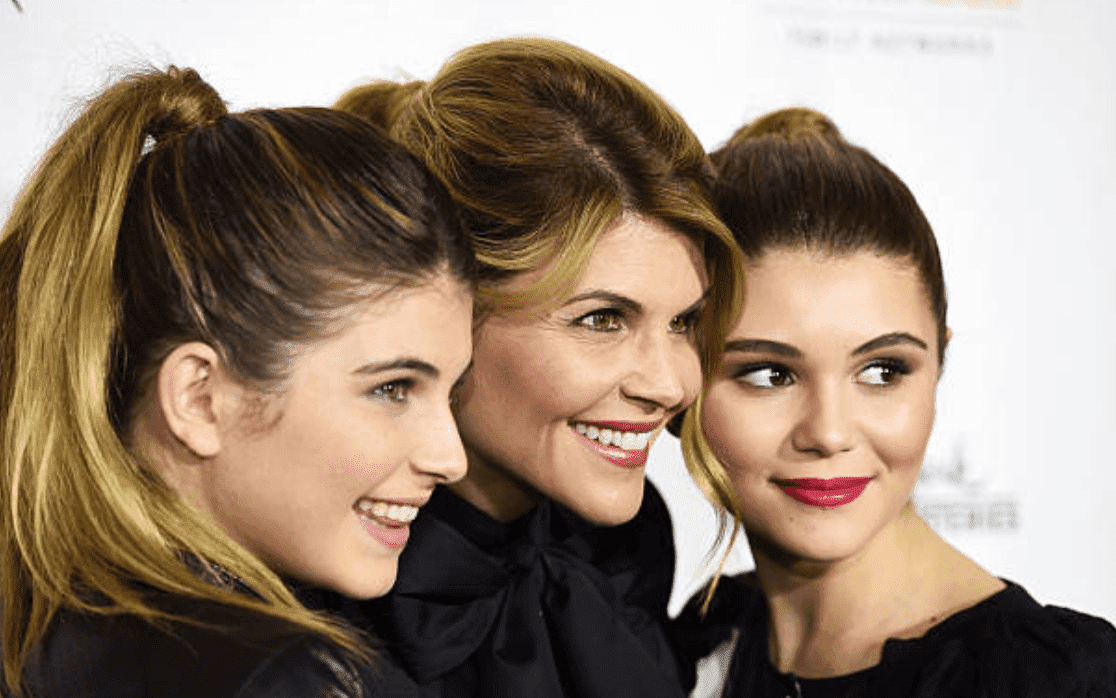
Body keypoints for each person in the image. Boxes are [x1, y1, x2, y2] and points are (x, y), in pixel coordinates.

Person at [0, 66, 476, 698]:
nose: (450, 457)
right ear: (200, 399)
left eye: (451, 392)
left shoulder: (42, 628)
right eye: (393, 389)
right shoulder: (297, 681)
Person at [335, 38, 744, 698]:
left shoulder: (626, 548)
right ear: (449, 308)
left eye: (683, 323)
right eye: (602, 320)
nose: (670, 385)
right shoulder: (315, 592)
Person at [672, 107, 1116, 697]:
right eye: (769, 374)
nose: (829, 433)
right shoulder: (682, 648)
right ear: (678, 385)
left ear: (938, 365)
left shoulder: (1056, 681)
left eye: (883, 371)